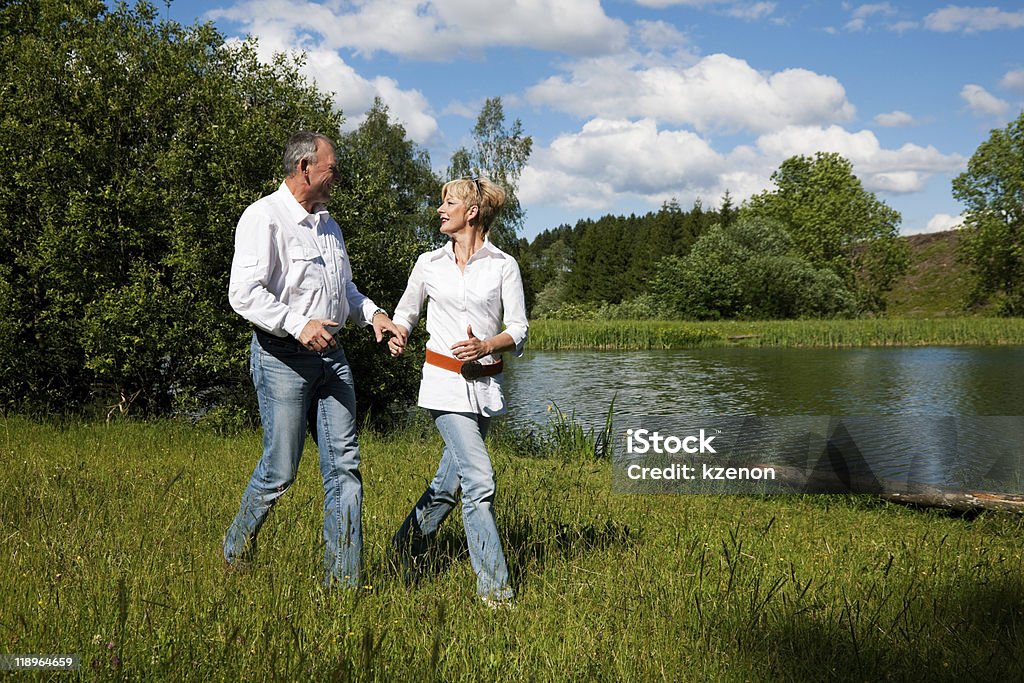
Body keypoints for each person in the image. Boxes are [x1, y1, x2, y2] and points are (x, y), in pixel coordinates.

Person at [222, 131, 405, 587]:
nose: (336, 177)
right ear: (305, 167)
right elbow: (243, 294)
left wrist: (375, 316)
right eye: (331, 168)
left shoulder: (330, 226)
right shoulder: (263, 218)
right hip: (282, 357)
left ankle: (342, 585)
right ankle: (235, 550)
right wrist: (297, 324)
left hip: (334, 359)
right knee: (281, 470)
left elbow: (343, 292)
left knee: (345, 467)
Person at [387, 176, 528, 607]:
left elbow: (519, 329)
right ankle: (496, 594)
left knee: (450, 486)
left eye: (448, 203)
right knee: (480, 482)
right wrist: (400, 333)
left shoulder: (503, 264)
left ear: (471, 213)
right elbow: (406, 312)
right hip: (443, 386)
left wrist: (487, 345)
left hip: (485, 388)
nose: (439, 209)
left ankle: (404, 547)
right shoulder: (428, 263)